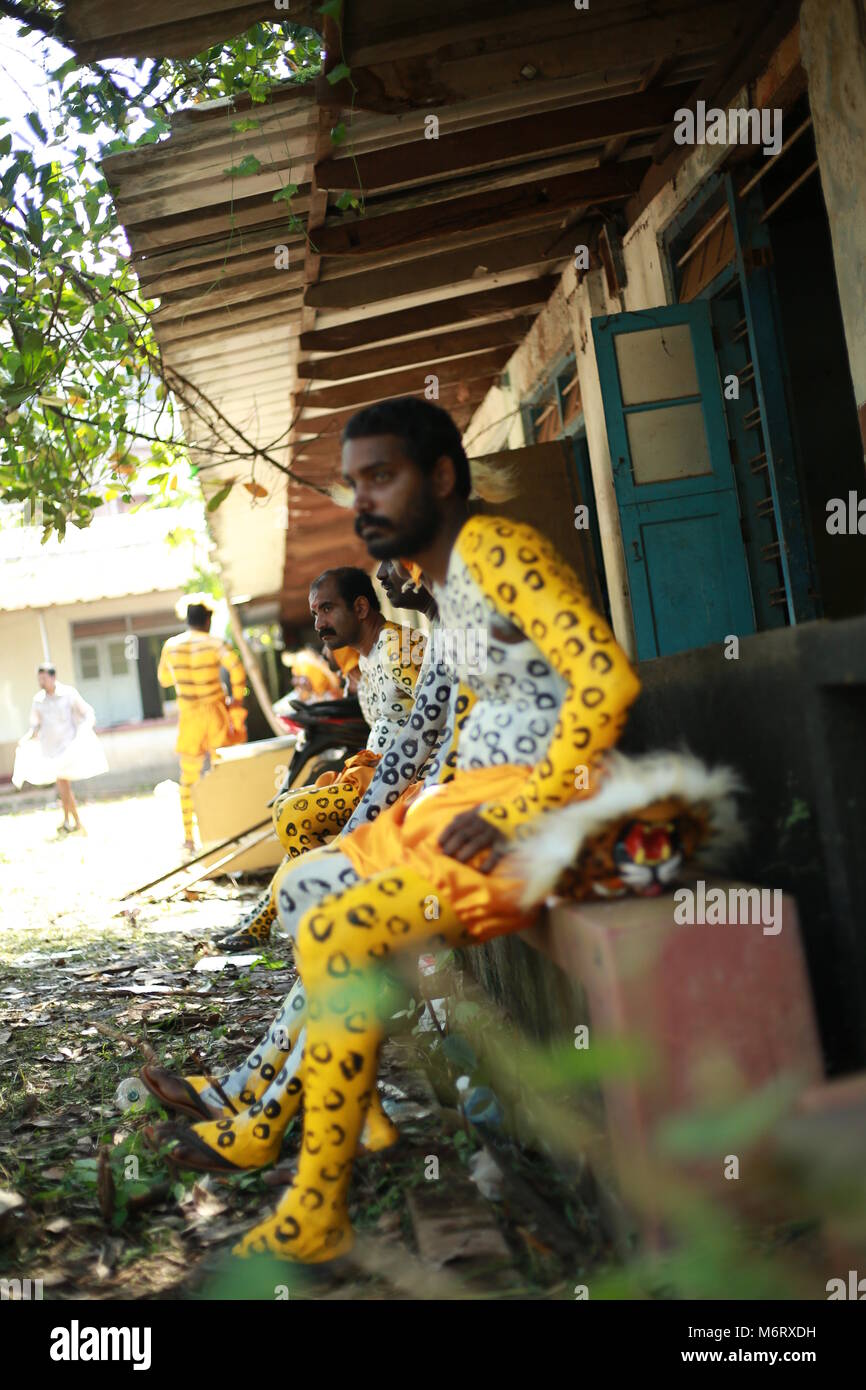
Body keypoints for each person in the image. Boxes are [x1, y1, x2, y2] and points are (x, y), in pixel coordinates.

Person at [145, 398, 640, 1254]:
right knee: (307, 885)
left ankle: (312, 1199)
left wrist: (518, 808)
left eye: (381, 477)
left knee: (334, 923)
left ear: (442, 477)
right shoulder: (450, 589)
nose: (362, 501)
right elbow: (424, 736)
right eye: (354, 483)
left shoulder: (502, 552)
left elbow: (608, 680)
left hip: (544, 818)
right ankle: (301, 1113)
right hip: (471, 808)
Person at [212, 565, 428, 954]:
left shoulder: (398, 647)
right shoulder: (368, 657)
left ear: (360, 608)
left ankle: (338, 919)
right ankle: (272, 920)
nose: (319, 623)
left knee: (293, 815)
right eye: (315, 613)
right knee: (294, 813)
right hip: (377, 777)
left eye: (327, 609)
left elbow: (444, 712)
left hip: (407, 781)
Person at [157, 596, 247, 851]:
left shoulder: (171, 646)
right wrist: (236, 701)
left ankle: (189, 838)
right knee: (221, 771)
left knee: (188, 777)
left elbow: (164, 679)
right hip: (215, 713)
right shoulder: (215, 643)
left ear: (187, 619)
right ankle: (230, 831)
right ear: (208, 620)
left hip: (189, 717)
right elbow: (237, 670)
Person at [12, 664, 108, 833]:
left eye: (44, 678)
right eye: (39, 679)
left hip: (68, 747)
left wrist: (85, 730)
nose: (41, 682)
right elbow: (35, 726)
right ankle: (70, 821)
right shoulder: (38, 700)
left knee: (63, 783)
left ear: (53, 677)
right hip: (50, 750)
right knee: (63, 784)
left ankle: (73, 821)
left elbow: (87, 713)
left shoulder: (68, 694)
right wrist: (26, 739)